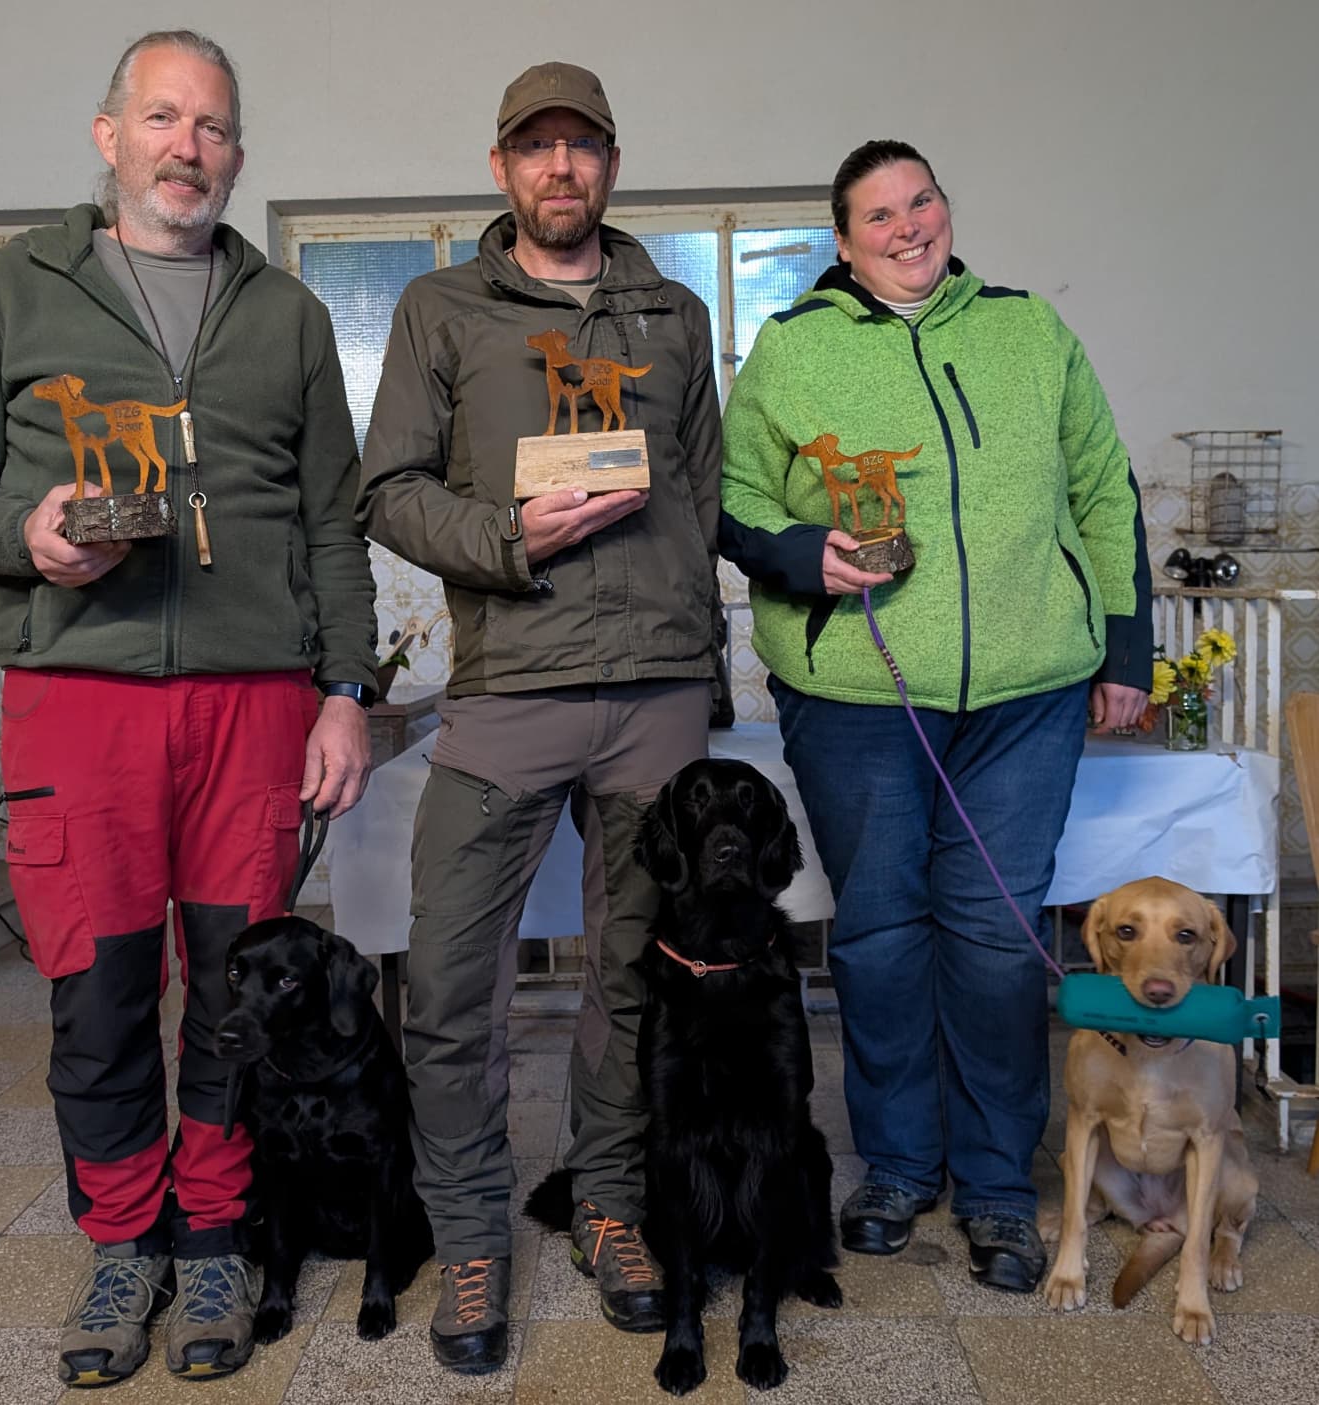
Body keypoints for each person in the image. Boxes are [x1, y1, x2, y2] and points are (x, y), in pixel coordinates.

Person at [0, 30, 377, 1387]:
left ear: (238, 153)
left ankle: (213, 1234)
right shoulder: (14, 286)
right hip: (79, 703)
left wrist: (344, 691)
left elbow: (332, 525)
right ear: (110, 135)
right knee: (100, 993)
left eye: (212, 127)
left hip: (255, 707)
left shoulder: (287, 317)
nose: (187, 147)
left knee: (239, 993)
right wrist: (23, 531)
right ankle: (124, 1240)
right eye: (162, 118)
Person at [719, 139, 1151, 1295]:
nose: (907, 226)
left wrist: (1123, 646)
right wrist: (801, 552)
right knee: (878, 934)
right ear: (842, 241)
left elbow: (1102, 484)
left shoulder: (1028, 330)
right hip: (856, 697)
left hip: (1025, 695)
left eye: (922, 202)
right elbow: (734, 495)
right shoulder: (793, 347)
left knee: (998, 937)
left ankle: (998, 1182)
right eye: (878, 214)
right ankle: (900, 1164)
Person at [357, 61, 721, 1374]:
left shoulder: (673, 313)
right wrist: (509, 537)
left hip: (656, 692)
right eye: (536, 147)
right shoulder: (441, 308)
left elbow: (700, 491)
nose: (560, 167)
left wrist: (699, 647)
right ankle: (470, 1229)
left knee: (635, 971)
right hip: (512, 683)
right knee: (454, 971)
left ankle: (608, 1200)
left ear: (610, 164)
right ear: (502, 167)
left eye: (582, 146)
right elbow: (389, 490)